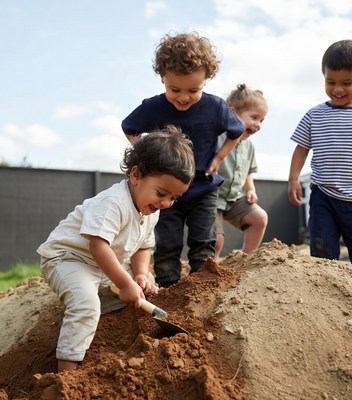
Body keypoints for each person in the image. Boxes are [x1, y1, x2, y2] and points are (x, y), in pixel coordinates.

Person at [37, 125, 195, 372]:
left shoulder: (149, 208)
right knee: (87, 304)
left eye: (174, 198)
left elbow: (144, 245)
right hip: (70, 259)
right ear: (136, 175)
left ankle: (89, 313)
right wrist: (124, 284)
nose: (166, 203)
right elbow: (98, 245)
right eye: (162, 193)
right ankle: (66, 371)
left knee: (137, 290)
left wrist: (140, 275)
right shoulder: (113, 202)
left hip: (103, 266)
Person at [122, 32, 245, 288]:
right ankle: (168, 287)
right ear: (162, 78)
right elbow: (129, 127)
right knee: (167, 242)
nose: (183, 97)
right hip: (166, 192)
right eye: (174, 89)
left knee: (204, 240)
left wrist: (219, 157)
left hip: (204, 186)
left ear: (206, 80)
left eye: (193, 90)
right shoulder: (154, 107)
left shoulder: (216, 107)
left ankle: (202, 286)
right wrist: (147, 155)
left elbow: (237, 131)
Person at [288, 39, 352, 262]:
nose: (338, 89)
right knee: (322, 252)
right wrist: (294, 179)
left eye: (347, 82)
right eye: (330, 81)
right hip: (323, 195)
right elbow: (301, 148)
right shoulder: (315, 115)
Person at [215, 84, 269, 259]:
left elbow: (247, 172)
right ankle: (206, 270)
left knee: (259, 218)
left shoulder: (249, 146)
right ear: (232, 112)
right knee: (216, 240)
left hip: (234, 196)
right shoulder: (217, 137)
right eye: (254, 117)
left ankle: (246, 259)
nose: (258, 124)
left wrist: (251, 189)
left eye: (261, 120)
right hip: (212, 196)